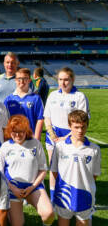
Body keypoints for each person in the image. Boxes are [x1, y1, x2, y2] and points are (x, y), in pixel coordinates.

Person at [0, 115, 54, 226]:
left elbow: (43, 170)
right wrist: (13, 188)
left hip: (33, 186)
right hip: (13, 188)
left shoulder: (35, 144)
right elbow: (0, 172)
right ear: (10, 131)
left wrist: (32, 187)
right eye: (14, 132)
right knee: (18, 224)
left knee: (49, 214)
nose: (17, 135)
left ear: (26, 130)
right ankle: (8, 210)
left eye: (21, 132)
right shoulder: (5, 147)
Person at [44, 67, 90, 201]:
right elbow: (47, 116)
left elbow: (83, 120)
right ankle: (53, 199)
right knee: (54, 169)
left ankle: (72, 196)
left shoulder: (79, 96)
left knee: (70, 168)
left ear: (72, 80)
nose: (63, 83)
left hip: (71, 136)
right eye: (60, 80)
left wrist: (66, 137)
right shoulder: (53, 95)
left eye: (66, 80)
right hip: (53, 136)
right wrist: (52, 135)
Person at [51, 110, 100, 226]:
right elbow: (54, 171)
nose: (80, 131)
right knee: (63, 222)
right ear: (69, 126)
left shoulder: (94, 149)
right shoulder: (60, 147)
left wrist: (83, 183)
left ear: (87, 125)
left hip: (85, 194)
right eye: (76, 127)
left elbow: (94, 175)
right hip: (64, 193)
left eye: (83, 127)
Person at [4, 68, 44, 140]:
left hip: (30, 138)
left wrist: (37, 138)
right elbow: (4, 120)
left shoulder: (36, 98)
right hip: (13, 138)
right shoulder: (9, 99)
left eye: (25, 78)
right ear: (15, 80)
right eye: (19, 78)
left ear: (29, 80)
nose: (22, 81)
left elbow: (40, 119)